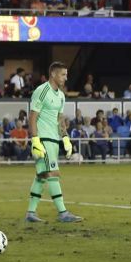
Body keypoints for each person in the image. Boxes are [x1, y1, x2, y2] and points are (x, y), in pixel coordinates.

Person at [25, 62, 83, 223]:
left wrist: (65, 138)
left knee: (41, 176)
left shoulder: (61, 95)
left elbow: (60, 120)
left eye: (66, 74)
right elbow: (33, 117)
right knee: (53, 173)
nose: (66, 77)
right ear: (53, 75)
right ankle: (63, 213)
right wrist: (35, 140)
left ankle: (30, 213)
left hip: (54, 140)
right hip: (43, 139)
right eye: (63, 74)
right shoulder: (42, 91)